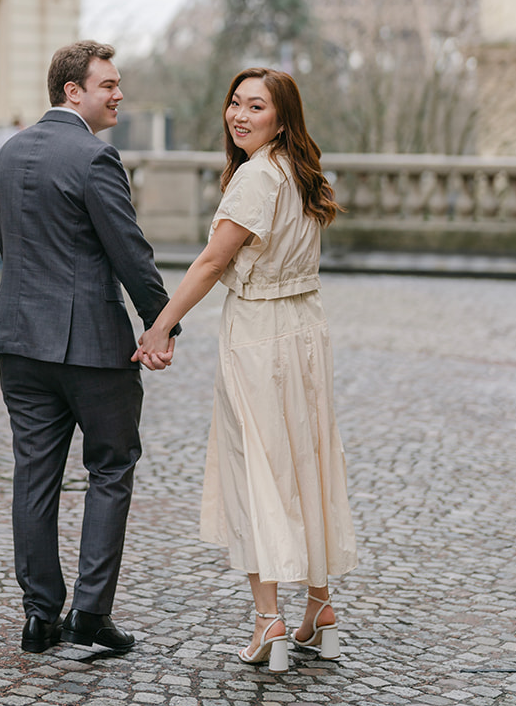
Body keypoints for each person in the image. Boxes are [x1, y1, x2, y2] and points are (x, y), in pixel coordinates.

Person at [134, 67, 356, 671]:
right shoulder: (304, 173)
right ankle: (319, 605)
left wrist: (160, 326)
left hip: (260, 333)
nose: (239, 115)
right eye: (234, 102)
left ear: (282, 118)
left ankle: (269, 620)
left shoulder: (257, 178)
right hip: (307, 329)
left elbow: (210, 263)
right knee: (306, 461)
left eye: (255, 106)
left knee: (256, 465)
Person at [0, 40, 176, 657]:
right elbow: (129, 251)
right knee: (111, 468)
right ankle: (89, 615)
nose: (118, 94)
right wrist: (161, 321)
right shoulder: (96, 158)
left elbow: (7, 246)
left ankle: (39, 616)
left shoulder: (7, 154)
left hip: (17, 340)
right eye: (108, 85)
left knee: (34, 477)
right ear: (73, 91)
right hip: (90, 347)